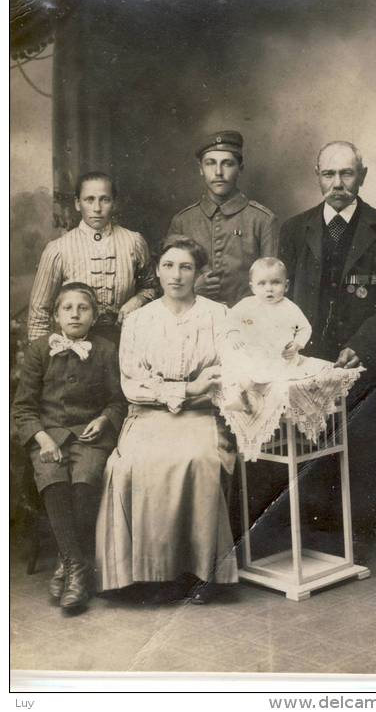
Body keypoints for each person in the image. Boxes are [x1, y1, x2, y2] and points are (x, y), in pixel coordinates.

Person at [279, 141, 376, 549]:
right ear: (317, 176)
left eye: (347, 174)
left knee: (360, 442)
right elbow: (279, 300)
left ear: (362, 176)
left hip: (363, 361)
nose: (337, 183)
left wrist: (362, 346)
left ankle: (357, 534)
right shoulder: (294, 229)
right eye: (329, 174)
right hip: (308, 362)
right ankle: (317, 533)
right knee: (311, 442)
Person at [95, 235, 238, 604]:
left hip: (202, 415)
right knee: (130, 465)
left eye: (186, 267)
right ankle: (143, 575)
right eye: (169, 266)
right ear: (157, 270)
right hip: (149, 415)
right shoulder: (139, 319)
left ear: (198, 273)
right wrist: (189, 388)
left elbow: (225, 373)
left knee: (199, 460)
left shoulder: (217, 314)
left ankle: (199, 573)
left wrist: (199, 392)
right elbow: (133, 385)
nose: (176, 275)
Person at [13, 283, 126, 611]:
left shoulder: (105, 350)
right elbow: (23, 408)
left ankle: (69, 564)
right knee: (52, 477)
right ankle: (78, 566)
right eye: (68, 308)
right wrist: (42, 437)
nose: (75, 314)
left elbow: (118, 400)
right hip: (49, 436)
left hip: (91, 436)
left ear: (93, 316)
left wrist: (105, 419)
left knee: (85, 479)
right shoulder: (39, 350)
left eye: (83, 308)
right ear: (56, 316)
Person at [27, 172, 159, 343]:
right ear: (77, 203)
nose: (97, 208)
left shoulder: (134, 242)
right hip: (74, 348)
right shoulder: (57, 249)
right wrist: (42, 360)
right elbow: (39, 311)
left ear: (114, 203)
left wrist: (138, 300)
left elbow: (152, 288)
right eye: (89, 199)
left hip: (125, 342)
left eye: (105, 199)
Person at [168, 130, 277, 307]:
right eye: (210, 163)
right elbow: (167, 280)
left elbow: (274, 283)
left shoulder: (263, 220)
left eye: (227, 164)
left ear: (240, 168)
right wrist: (191, 288)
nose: (218, 172)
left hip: (246, 323)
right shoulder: (182, 221)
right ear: (200, 169)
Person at [222, 257, 312, 412]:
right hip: (254, 352)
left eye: (275, 282)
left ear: (286, 285)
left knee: (274, 379)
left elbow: (305, 328)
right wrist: (233, 333)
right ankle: (237, 396)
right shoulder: (247, 304)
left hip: (280, 356)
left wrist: (297, 344)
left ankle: (266, 402)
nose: (269, 288)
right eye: (262, 283)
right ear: (252, 287)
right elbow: (230, 320)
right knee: (234, 362)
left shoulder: (289, 308)